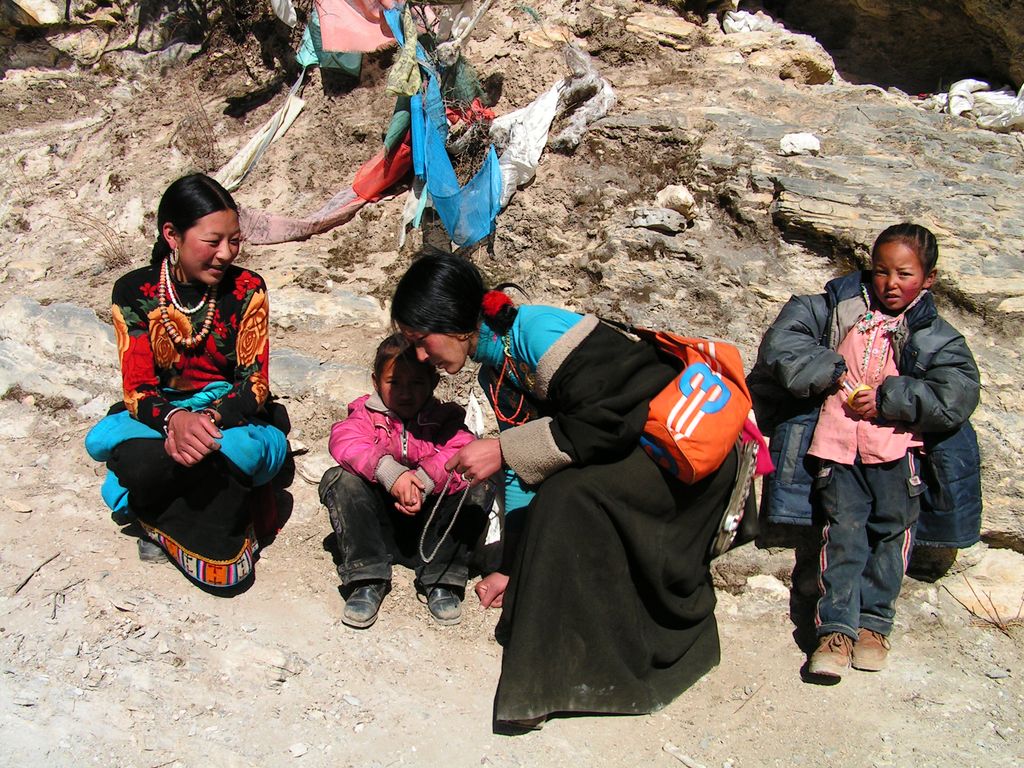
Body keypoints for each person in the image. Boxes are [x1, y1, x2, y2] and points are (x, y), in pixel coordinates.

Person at [391, 252, 741, 730]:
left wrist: (503, 448)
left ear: (453, 324)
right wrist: (513, 566)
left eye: (421, 342)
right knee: (559, 499)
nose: (420, 357)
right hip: (632, 456)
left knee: (569, 498)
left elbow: (609, 419)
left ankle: (559, 681)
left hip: (678, 462)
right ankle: (571, 659)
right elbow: (521, 472)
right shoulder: (496, 371)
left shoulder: (538, 332)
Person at [749, 223, 981, 680]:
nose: (891, 283)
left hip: (898, 451)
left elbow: (957, 391)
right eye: (881, 271)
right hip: (838, 447)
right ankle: (834, 631)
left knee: (891, 534)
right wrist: (832, 370)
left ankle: (875, 626)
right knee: (843, 532)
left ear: (929, 279)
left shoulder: (937, 336)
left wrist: (890, 398)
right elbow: (785, 343)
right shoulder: (835, 308)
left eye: (905, 274)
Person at [85, 174, 289, 590]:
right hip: (162, 415)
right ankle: (199, 516)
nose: (226, 253)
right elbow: (138, 389)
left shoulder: (249, 289)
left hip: (225, 420)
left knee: (240, 453)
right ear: (172, 235)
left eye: (234, 241)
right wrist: (175, 420)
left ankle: (153, 516)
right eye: (213, 241)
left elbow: (254, 385)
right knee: (117, 447)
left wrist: (208, 419)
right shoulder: (133, 291)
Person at [318, 334, 484, 628]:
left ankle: (442, 578)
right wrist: (390, 474)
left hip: (430, 528)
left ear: (433, 383)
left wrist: (423, 480)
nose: (405, 393)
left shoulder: (447, 419)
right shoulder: (364, 415)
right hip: (381, 526)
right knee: (339, 479)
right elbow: (346, 441)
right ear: (375, 381)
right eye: (394, 383)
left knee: (477, 484)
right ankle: (368, 577)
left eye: (417, 383)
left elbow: (462, 450)